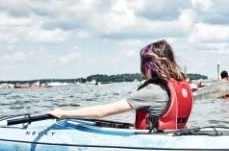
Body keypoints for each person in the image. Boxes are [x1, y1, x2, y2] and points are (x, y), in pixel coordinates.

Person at [48, 39, 193, 131]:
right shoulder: (182, 85)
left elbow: (102, 112)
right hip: (173, 136)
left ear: (150, 66)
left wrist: (63, 113)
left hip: (154, 142)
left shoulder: (152, 91)